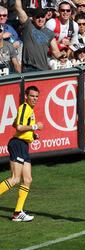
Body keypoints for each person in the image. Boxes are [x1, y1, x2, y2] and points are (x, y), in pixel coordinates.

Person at [0, 86, 44, 222]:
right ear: (26, 96)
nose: (34, 99)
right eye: (32, 96)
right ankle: (18, 212)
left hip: (23, 145)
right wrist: (35, 127)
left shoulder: (29, 110)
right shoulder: (24, 108)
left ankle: (17, 212)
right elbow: (18, 127)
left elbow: (15, 124)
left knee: (28, 180)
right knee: (15, 179)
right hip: (17, 144)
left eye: (36, 96)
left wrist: (32, 135)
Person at [14, 2, 66, 72]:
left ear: (45, 17)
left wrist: (62, 57)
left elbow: (55, 51)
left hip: (43, 69)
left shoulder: (50, 33)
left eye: (42, 16)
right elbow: (18, 8)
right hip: (28, 69)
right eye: (37, 17)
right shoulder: (28, 25)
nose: (40, 19)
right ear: (33, 18)